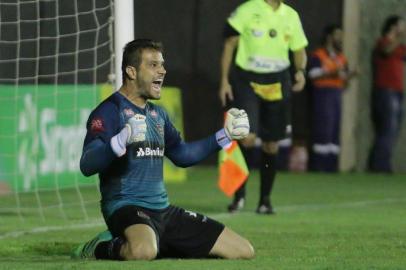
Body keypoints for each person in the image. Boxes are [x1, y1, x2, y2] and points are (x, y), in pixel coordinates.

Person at [71, 39, 254, 260]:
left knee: (243, 250)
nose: (163, 71)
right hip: (125, 207)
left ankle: (155, 240)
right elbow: (87, 164)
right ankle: (100, 245)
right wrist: (120, 141)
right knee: (143, 251)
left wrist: (225, 135)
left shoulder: (158, 115)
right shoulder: (109, 111)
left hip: (163, 211)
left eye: (162, 65)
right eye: (153, 65)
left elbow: (182, 155)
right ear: (131, 71)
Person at [219, 0, 308, 214]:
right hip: (247, 80)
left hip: (277, 82)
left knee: (271, 145)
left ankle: (265, 200)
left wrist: (300, 71)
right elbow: (229, 44)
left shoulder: (291, 15)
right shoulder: (248, 10)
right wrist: (224, 80)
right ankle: (239, 195)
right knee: (246, 137)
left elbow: (299, 49)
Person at [308, 25, 357, 172]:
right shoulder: (319, 55)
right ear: (329, 37)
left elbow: (344, 80)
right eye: (337, 35)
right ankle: (318, 166)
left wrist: (350, 75)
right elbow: (312, 74)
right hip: (323, 94)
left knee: (334, 129)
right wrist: (332, 73)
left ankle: (331, 166)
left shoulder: (341, 57)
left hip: (336, 94)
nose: (340, 38)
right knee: (324, 128)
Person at [369, 15, 406, 173]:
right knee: (387, 128)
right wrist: (400, 37)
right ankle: (379, 165)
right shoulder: (383, 42)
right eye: (401, 25)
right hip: (385, 91)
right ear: (393, 26)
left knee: (394, 129)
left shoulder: (400, 47)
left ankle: (383, 163)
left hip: (398, 92)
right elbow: (386, 51)